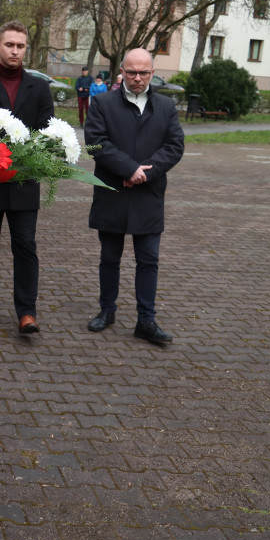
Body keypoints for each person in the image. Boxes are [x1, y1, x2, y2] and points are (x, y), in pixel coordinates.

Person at [84, 48, 184, 344]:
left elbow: (174, 145)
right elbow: (96, 143)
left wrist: (145, 173)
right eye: (131, 72)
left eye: (143, 72)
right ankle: (107, 310)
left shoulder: (166, 106)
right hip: (113, 191)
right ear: (122, 72)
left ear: (153, 73)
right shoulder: (102, 103)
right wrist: (129, 170)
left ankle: (146, 320)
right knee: (109, 257)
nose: (137, 78)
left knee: (149, 260)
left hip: (148, 194)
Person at [0, 21, 54, 334]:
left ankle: (26, 311)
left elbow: (46, 132)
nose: (14, 50)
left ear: (25, 49)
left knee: (25, 246)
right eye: (9, 45)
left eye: (20, 46)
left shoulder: (39, 87)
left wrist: (32, 157)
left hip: (24, 182)